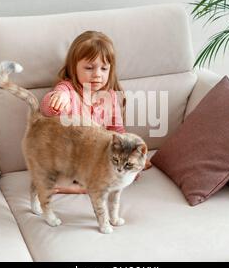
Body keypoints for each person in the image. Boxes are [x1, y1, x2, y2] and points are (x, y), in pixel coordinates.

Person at [40, 31, 151, 194]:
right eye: (89, 68)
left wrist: (129, 152)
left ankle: (87, 185)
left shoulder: (110, 96)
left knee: (128, 173)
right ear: (74, 67)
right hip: (71, 154)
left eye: (104, 68)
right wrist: (58, 99)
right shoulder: (68, 89)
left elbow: (117, 130)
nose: (97, 74)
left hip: (95, 156)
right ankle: (79, 187)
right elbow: (47, 109)